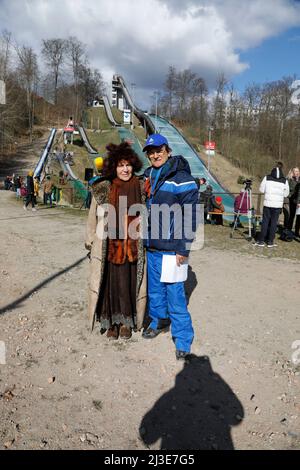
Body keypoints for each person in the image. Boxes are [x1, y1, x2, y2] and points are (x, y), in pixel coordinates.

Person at [141, 133, 199, 361]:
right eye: (151, 152)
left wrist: (183, 249)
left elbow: (191, 216)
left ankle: (183, 339)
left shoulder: (182, 178)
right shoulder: (149, 175)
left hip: (172, 248)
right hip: (152, 246)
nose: (155, 155)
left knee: (175, 295)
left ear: (167, 150)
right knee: (155, 291)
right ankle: (158, 322)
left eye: (159, 150)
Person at [85, 142, 147, 340]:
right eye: (121, 165)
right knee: (109, 285)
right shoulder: (103, 187)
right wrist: (89, 240)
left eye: (128, 164)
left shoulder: (141, 187)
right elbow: (92, 216)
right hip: (108, 245)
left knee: (129, 284)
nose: (125, 169)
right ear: (114, 166)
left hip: (133, 247)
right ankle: (110, 322)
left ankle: (127, 322)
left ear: (133, 165)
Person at [255, 166, 289, 247]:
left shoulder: (267, 178)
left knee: (265, 222)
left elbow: (261, 190)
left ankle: (261, 241)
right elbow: (286, 194)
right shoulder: (284, 180)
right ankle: (270, 242)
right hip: (277, 205)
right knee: (274, 223)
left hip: (268, 204)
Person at [287, 167, 300, 231]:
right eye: (295, 171)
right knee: (292, 215)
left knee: (299, 217)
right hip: (292, 200)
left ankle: (297, 231)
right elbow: (287, 189)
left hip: (299, 201)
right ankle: (289, 229)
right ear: (293, 172)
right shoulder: (290, 179)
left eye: (298, 171)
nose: (297, 173)